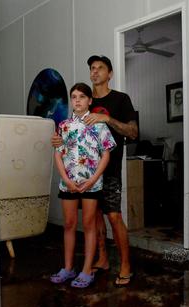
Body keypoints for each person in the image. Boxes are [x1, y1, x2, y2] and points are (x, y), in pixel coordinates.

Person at [52, 55, 138, 286]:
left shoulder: (121, 99)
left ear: (109, 74)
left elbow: (133, 132)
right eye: (92, 68)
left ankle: (126, 265)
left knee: (113, 215)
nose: (95, 71)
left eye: (101, 68)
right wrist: (59, 141)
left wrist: (106, 118)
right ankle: (101, 260)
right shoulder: (79, 107)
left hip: (108, 169)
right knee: (94, 219)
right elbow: (68, 139)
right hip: (81, 173)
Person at [50, 82, 116, 288]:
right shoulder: (64, 126)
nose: (77, 100)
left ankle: (87, 270)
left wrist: (93, 179)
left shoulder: (98, 125)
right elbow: (58, 155)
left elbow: (106, 154)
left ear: (90, 100)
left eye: (81, 96)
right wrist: (67, 180)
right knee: (69, 225)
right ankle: (68, 268)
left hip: (91, 185)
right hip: (68, 183)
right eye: (74, 97)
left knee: (88, 225)